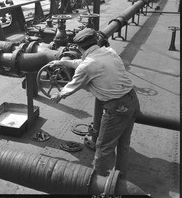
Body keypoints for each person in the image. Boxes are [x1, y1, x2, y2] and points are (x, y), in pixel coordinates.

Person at [49, 28, 140, 179]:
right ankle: (120, 179)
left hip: (117, 108)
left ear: (79, 47)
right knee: (123, 144)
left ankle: (98, 186)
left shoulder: (88, 65)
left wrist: (58, 96)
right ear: (94, 42)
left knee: (103, 148)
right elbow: (83, 62)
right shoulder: (109, 52)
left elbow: (73, 85)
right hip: (132, 100)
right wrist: (62, 62)